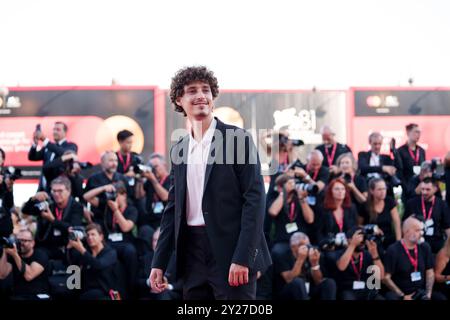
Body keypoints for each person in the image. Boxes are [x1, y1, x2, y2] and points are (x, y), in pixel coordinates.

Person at [149, 66, 271, 300]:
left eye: (206, 90)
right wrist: (160, 261)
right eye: (192, 90)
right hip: (191, 254)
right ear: (179, 100)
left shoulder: (238, 139)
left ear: (213, 97)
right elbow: (173, 209)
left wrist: (242, 257)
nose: (201, 95)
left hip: (231, 250)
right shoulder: (179, 149)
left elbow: (255, 200)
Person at [84, 180, 138, 298]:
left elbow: (125, 227)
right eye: (112, 195)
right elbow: (86, 196)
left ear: (124, 195)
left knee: (130, 251)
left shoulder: (131, 209)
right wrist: (103, 188)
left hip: (125, 242)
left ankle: (131, 289)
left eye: (116, 195)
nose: (113, 198)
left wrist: (116, 210)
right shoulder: (106, 205)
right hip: (108, 243)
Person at [21, 176, 83, 261]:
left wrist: (52, 220)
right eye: (54, 191)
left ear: (69, 191)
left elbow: (73, 227)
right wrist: (34, 198)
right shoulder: (47, 202)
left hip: (66, 246)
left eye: (60, 191)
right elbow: (26, 211)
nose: (56, 194)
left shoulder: (76, 206)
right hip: (45, 245)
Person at [383, 217, 441, 300]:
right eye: (417, 230)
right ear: (407, 232)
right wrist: (402, 296)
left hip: (421, 292)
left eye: (421, 230)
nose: (421, 233)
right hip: (401, 292)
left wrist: (428, 294)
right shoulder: (393, 250)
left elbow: (430, 272)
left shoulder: (425, 247)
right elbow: (386, 278)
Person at [272, 232, 336, 300]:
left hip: (308, 289)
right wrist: (300, 259)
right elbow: (289, 279)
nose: (306, 248)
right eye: (301, 245)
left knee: (329, 283)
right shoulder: (282, 255)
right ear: (293, 246)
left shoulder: (311, 253)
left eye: (308, 245)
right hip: (289, 292)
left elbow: (318, 281)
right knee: (298, 282)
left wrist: (314, 264)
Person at [67, 223, 119, 300]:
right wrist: (69, 248)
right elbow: (72, 266)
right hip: (86, 290)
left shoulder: (110, 252)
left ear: (101, 237)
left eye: (93, 234)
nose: (90, 237)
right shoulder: (86, 253)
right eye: (87, 235)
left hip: (104, 291)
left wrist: (82, 249)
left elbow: (98, 264)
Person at [268, 174, 314, 258]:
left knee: (314, 251)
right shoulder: (274, 198)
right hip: (283, 240)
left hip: (301, 239)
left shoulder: (298, 199)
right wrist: (283, 193)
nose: (293, 186)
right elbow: (273, 212)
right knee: (277, 252)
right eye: (289, 184)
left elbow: (310, 219)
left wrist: (302, 199)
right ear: (279, 187)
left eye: (293, 183)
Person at [334, 227, 385, 300]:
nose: (362, 241)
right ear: (349, 240)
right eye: (359, 238)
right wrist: (353, 245)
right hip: (348, 290)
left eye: (363, 238)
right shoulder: (341, 253)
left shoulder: (367, 254)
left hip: (366, 290)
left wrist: (374, 254)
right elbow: (341, 267)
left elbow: (381, 277)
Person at [403, 177, 450, 253]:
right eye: (422, 189)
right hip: (416, 243)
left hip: (436, 243)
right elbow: (404, 224)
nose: (424, 192)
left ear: (435, 189)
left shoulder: (442, 205)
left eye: (428, 189)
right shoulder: (411, 203)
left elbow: (447, 227)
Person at [0, 228, 50, 300]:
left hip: (38, 295)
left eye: (24, 240)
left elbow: (29, 276)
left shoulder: (40, 255)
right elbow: (2, 274)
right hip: (18, 295)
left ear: (33, 243)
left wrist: (15, 255)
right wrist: (5, 251)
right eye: (18, 240)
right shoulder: (14, 255)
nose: (21, 243)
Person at [28, 122, 78, 191]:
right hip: (43, 188)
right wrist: (35, 144)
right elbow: (32, 157)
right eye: (54, 129)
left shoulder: (71, 146)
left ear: (65, 132)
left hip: (59, 188)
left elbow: (64, 153)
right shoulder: (48, 147)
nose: (55, 132)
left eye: (58, 130)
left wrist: (44, 139)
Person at [83, 151, 128, 226]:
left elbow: (129, 199)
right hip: (99, 218)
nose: (114, 164)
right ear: (102, 162)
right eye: (111, 160)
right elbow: (84, 197)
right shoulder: (93, 178)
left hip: (119, 218)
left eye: (116, 160)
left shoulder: (122, 178)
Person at [360, 178, 402, 250]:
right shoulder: (365, 206)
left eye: (384, 189)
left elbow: (397, 222)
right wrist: (372, 229)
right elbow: (359, 225)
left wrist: (399, 242)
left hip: (388, 238)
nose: (383, 192)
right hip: (371, 240)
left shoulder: (389, 202)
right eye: (379, 189)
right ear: (372, 191)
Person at [317, 178, 358, 244]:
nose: (340, 191)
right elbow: (319, 232)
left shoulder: (352, 207)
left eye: (343, 189)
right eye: (337, 189)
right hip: (330, 245)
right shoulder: (323, 209)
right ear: (330, 192)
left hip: (348, 244)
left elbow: (354, 227)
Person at [135, 153, 170, 230]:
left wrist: (153, 179)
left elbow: (166, 197)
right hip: (151, 220)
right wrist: (140, 179)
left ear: (164, 165)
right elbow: (139, 195)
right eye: (151, 167)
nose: (154, 169)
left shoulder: (171, 179)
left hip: (166, 220)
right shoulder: (149, 181)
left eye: (156, 166)